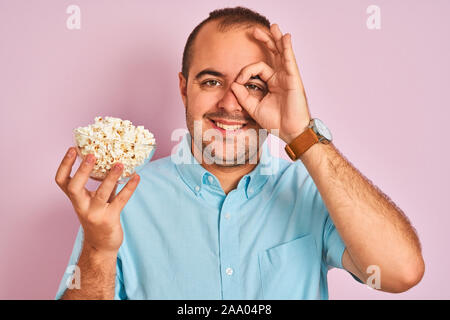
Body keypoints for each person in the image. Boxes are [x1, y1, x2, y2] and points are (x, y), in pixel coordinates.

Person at [54, 6, 424, 300]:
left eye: (253, 85)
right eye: (211, 81)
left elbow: (401, 273)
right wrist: (100, 251)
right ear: (184, 89)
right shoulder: (123, 200)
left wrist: (302, 134)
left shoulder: (312, 190)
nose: (232, 103)